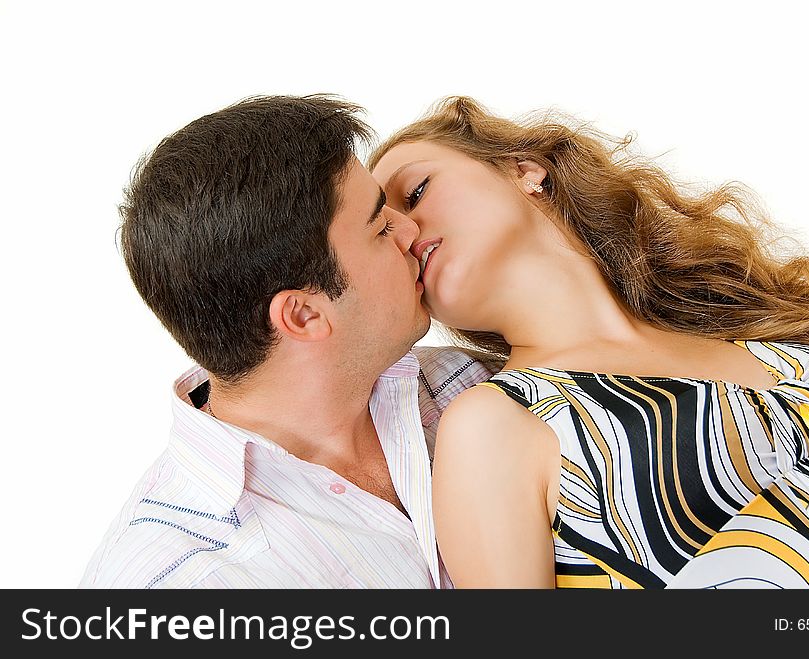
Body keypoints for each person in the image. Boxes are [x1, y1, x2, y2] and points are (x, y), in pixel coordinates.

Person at [369, 96, 809, 589]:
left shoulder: (778, 342)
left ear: (523, 169)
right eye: (382, 230)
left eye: (415, 193)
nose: (406, 229)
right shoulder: (497, 423)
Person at [79, 95, 498, 589]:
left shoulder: (462, 384)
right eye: (381, 225)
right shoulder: (183, 581)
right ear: (303, 314)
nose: (411, 231)